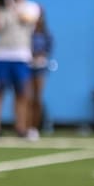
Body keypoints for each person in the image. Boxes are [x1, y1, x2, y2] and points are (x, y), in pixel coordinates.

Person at [0, 0, 41, 139]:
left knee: (22, 93)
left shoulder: (31, 7)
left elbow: (26, 19)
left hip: (21, 55)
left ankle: (20, 126)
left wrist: (12, 6)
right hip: (2, 54)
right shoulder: (3, 10)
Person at [28, 7, 53, 140]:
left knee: (37, 98)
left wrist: (39, 55)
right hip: (27, 66)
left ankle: (34, 128)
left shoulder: (46, 33)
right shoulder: (27, 31)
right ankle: (24, 127)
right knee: (27, 97)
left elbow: (48, 50)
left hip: (40, 68)